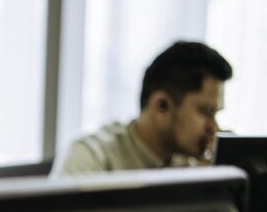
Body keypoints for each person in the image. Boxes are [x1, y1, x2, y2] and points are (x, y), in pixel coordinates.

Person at [53, 41, 232, 175]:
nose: (214, 127)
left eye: (216, 113)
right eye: (206, 112)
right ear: (161, 106)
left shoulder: (196, 166)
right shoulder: (91, 159)